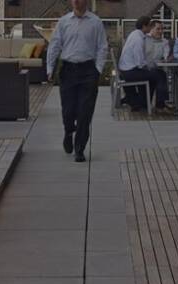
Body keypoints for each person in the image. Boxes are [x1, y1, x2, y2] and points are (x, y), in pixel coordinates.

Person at [45, 0, 108, 162]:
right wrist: (50, 68)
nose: (76, 1)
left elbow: (102, 47)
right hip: (68, 70)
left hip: (88, 71)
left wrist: (98, 70)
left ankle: (80, 148)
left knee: (85, 112)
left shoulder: (95, 22)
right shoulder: (64, 22)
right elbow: (54, 45)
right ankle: (68, 131)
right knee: (68, 109)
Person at [118, 17, 171, 112]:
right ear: (144, 26)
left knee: (154, 74)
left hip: (125, 70)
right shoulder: (139, 39)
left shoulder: (134, 34)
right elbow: (140, 63)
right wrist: (149, 67)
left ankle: (144, 104)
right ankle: (160, 105)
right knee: (160, 74)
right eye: (149, 26)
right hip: (130, 71)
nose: (150, 28)